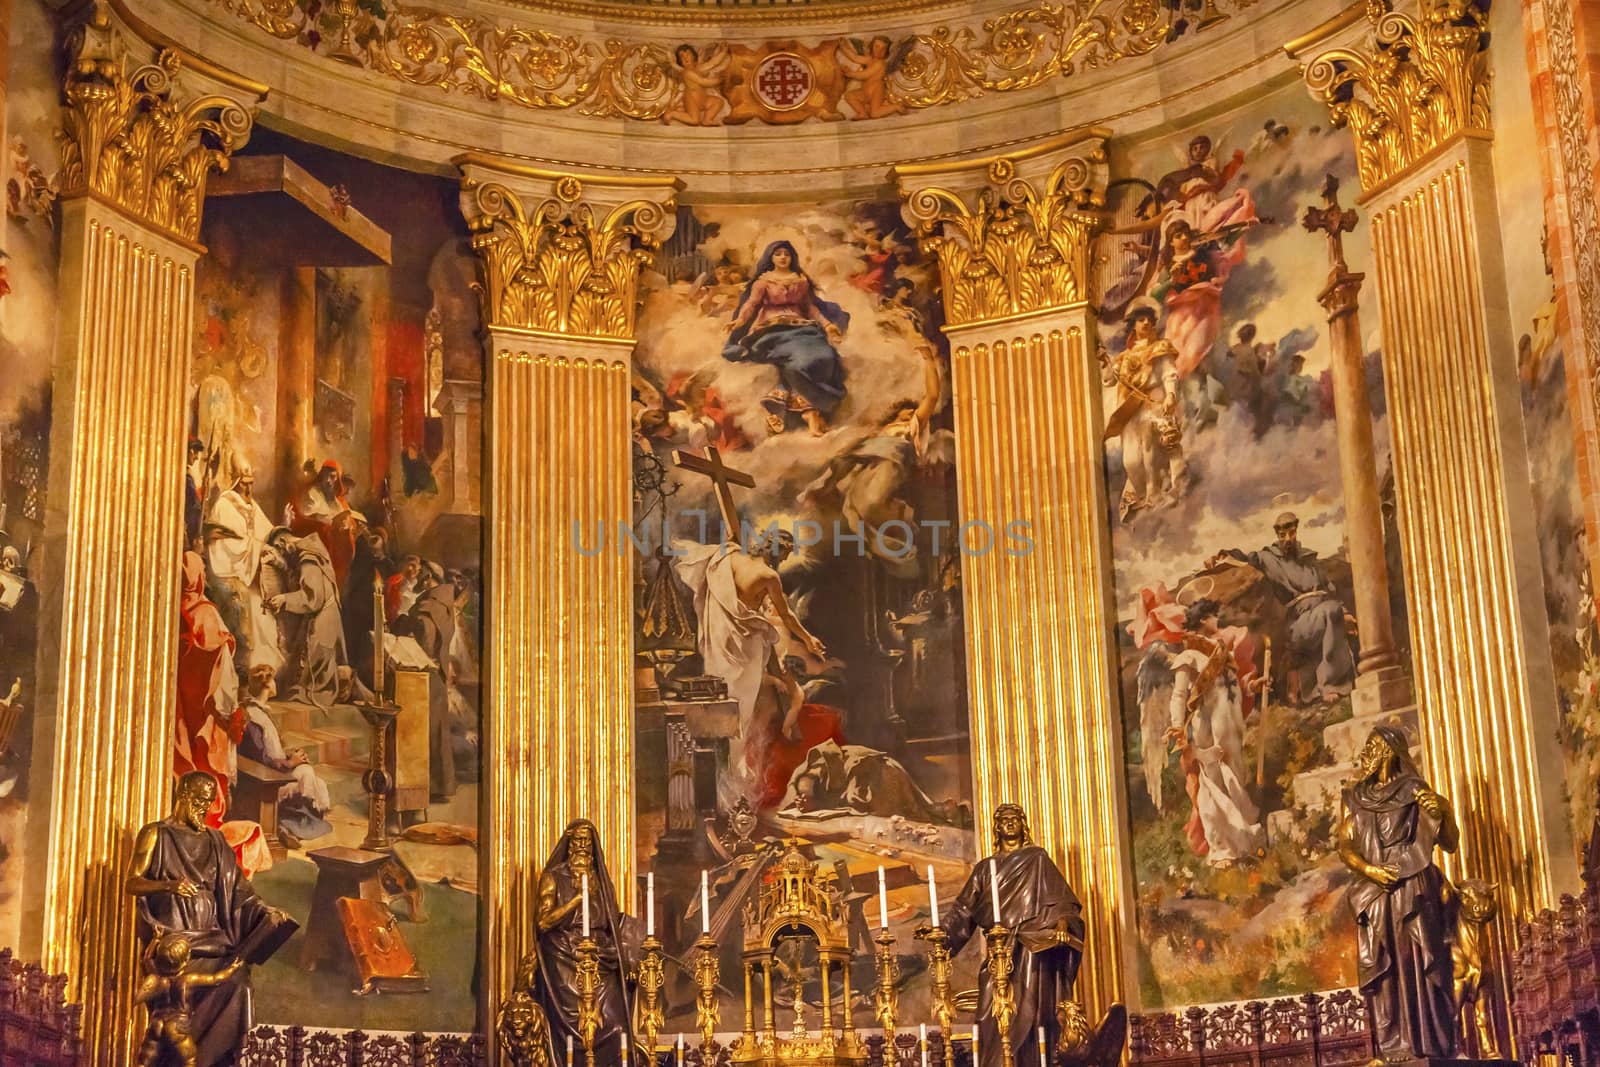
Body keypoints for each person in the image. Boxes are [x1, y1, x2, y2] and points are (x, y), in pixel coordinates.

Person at [125, 772, 297, 1067]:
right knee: (175, 1010)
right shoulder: (156, 834)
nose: (204, 807)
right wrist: (168, 885)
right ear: (183, 796)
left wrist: (266, 914)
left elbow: (240, 893)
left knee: (238, 986)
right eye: (199, 799)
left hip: (214, 942)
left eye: (208, 801)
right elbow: (132, 883)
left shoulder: (215, 840)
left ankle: (216, 1061)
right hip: (175, 946)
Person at [930, 805, 1085, 1067]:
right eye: (1004, 820)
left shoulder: (1037, 859)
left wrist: (1062, 922)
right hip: (998, 952)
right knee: (989, 1010)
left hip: (1032, 950)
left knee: (1032, 1010)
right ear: (997, 827)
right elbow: (964, 909)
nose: (1010, 824)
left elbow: (1063, 902)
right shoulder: (984, 869)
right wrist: (941, 933)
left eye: (1015, 819)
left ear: (1022, 825)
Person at [1338, 726, 1458, 1063]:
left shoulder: (1415, 791)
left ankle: (1431, 1041)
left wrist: (1443, 810)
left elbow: (1448, 842)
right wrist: (1371, 871)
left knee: (1421, 961)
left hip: (1414, 890)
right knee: (1385, 968)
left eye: (1373, 745)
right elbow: (1344, 846)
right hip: (1376, 893)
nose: (1367, 753)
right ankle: (1394, 1047)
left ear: (1390, 750)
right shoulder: (1354, 797)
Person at [673, 529, 827, 771]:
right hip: (747, 648)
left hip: (722, 641)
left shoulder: (731, 556)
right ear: (775, 550)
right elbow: (786, 614)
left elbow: (729, 533)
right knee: (741, 707)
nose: (785, 559)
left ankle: (727, 765)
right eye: (785, 553)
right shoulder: (769, 576)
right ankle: (733, 766)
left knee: (722, 700)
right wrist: (808, 639)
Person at [1207, 512, 1355, 703]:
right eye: (1282, 535)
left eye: (1291, 533)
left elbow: (1328, 590)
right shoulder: (1269, 558)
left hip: (1322, 612)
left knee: (1333, 610)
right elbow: (1246, 558)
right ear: (1277, 535)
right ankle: (1330, 686)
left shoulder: (1309, 560)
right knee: (1330, 610)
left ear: (1296, 532)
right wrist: (1222, 556)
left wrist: (1346, 614)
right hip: (1298, 625)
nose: (1287, 539)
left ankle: (1336, 685)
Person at [533, 820, 640, 1065]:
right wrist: (575, 901)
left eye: (587, 842)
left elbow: (612, 923)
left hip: (601, 956)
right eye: (577, 841)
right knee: (576, 1026)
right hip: (565, 957)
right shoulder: (553, 878)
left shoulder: (602, 882)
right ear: (569, 844)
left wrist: (630, 951)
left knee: (617, 1026)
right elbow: (542, 923)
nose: (581, 847)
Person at [722, 240, 849, 436]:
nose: (783, 257)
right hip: (771, 333)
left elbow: (811, 308)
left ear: (793, 257)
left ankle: (797, 408)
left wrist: (829, 325)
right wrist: (739, 321)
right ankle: (812, 413)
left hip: (803, 330)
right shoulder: (763, 282)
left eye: (786, 254)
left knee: (826, 356)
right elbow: (751, 305)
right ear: (770, 257)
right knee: (798, 363)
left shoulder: (801, 281)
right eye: (778, 254)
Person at [236, 659, 332, 846]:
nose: (276, 684)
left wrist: (291, 756)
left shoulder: (260, 712)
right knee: (306, 773)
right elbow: (260, 757)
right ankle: (286, 825)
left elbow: (270, 749)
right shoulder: (253, 716)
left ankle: (289, 825)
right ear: (268, 684)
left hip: (275, 768)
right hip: (265, 777)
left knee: (309, 774)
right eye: (274, 680)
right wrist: (290, 763)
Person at [1101, 299, 1181, 521]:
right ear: (1133, 325)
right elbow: (1108, 380)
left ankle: (1154, 497)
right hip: (1130, 409)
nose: (1146, 323)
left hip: (1153, 402)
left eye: (1149, 320)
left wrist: (1171, 395)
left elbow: (1169, 373)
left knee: (1150, 453)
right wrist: (1105, 363)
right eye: (1141, 319)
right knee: (1131, 460)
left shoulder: (1159, 348)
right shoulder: (1124, 357)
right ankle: (1142, 494)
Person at [205, 466, 282, 671]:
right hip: (227, 573)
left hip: (244, 574)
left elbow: (265, 531)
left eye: (251, 482)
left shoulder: (250, 505)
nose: (249, 487)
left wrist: (282, 527)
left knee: (264, 620)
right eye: (245, 482)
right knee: (245, 625)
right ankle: (241, 675)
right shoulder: (224, 505)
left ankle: (261, 674)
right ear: (236, 481)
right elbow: (228, 545)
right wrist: (256, 546)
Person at [266, 530, 345, 711]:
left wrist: (285, 599)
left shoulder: (308, 558)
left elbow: (313, 598)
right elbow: (303, 583)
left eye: (281, 550)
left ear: (284, 542)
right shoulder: (313, 552)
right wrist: (282, 566)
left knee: (307, 684)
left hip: (322, 620)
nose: (284, 554)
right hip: (327, 617)